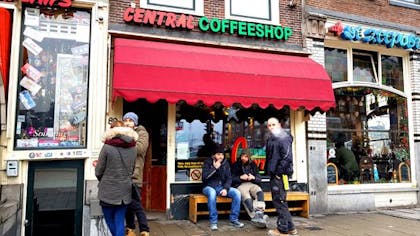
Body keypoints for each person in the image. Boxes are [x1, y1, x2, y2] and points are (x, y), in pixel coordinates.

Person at [96, 121, 138, 236]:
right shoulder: (134, 147)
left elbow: (98, 170)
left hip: (108, 191)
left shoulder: (107, 147)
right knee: (120, 220)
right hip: (125, 190)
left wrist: (104, 180)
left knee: (109, 219)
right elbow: (132, 170)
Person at [265, 117, 298, 236]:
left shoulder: (283, 138)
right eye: (269, 125)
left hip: (280, 175)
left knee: (279, 201)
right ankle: (291, 228)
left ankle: (282, 230)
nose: (271, 127)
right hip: (276, 174)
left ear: (279, 124)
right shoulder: (272, 139)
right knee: (281, 201)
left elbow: (286, 158)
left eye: (273, 124)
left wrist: (278, 173)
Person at [202, 145, 244, 231]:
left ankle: (234, 219)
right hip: (209, 187)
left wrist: (225, 188)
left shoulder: (225, 163)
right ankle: (213, 222)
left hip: (222, 187)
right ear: (214, 155)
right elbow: (204, 178)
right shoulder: (208, 162)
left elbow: (229, 178)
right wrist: (214, 168)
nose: (221, 156)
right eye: (218, 154)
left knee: (237, 193)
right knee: (212, 193)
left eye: (222, 154)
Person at [122, 112, 150, 236]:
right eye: (126, 120)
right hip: (122, 174)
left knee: (136, 204)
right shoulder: (122, 133)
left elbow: (140, 148)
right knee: (127, 204)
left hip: (135, 174)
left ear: (135, 123)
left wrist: (122, 142)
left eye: (130, 120)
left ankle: (144, 229)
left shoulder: (142, 133)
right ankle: (130, 228)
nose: (128, 123)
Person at [231, 149, 267, 228]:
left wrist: (253, 177)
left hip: (252, 183)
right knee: (246, 197)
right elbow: (231, 179)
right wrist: (240, 177)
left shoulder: (253, 165)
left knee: (259, 192)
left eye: (246, 156)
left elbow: (259, 179)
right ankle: (255, 217)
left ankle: (259, 213)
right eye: (242, 156)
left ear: (249, 157)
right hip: (240, 184)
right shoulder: (235, 165)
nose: (243, 158)